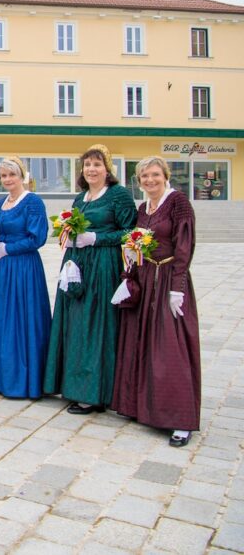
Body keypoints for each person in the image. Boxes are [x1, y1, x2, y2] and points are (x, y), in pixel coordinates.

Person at [112, 156, 201, 447]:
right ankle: (143, 407)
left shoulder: (179, 203)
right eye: (144, 177)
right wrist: (129, 272)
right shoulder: (143, 207)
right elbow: (138, 244)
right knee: (143, 342)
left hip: (168, 280)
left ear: (165, 175)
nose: (149, 180)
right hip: (147, 279)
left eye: (154, 175)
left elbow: (184, 247)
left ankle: (180, 419)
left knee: (170, 347)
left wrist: (178, 288)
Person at [44, 145, 137, 413]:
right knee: (74, 324)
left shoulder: (118, 195)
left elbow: (130, 231)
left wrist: (96, 238)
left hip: (103, 265)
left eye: (97, 165)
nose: (91, 169)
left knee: (94, 325)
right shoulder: (80, 198)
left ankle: (94, 392)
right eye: (87, 165)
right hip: (76, 265)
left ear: (107, 169)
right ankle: (73, 385)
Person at [0, 157, 51, 399]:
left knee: (22, 318)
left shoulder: (33, 202)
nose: (7, 179)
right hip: (4, 269)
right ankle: (0, 377)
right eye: (3, 176)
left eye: (11, 174)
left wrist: (9, 249)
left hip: (24, 268)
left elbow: (37, 238)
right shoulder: (1, 204)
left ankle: (25, 380)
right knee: (3, 318)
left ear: (22, 175)